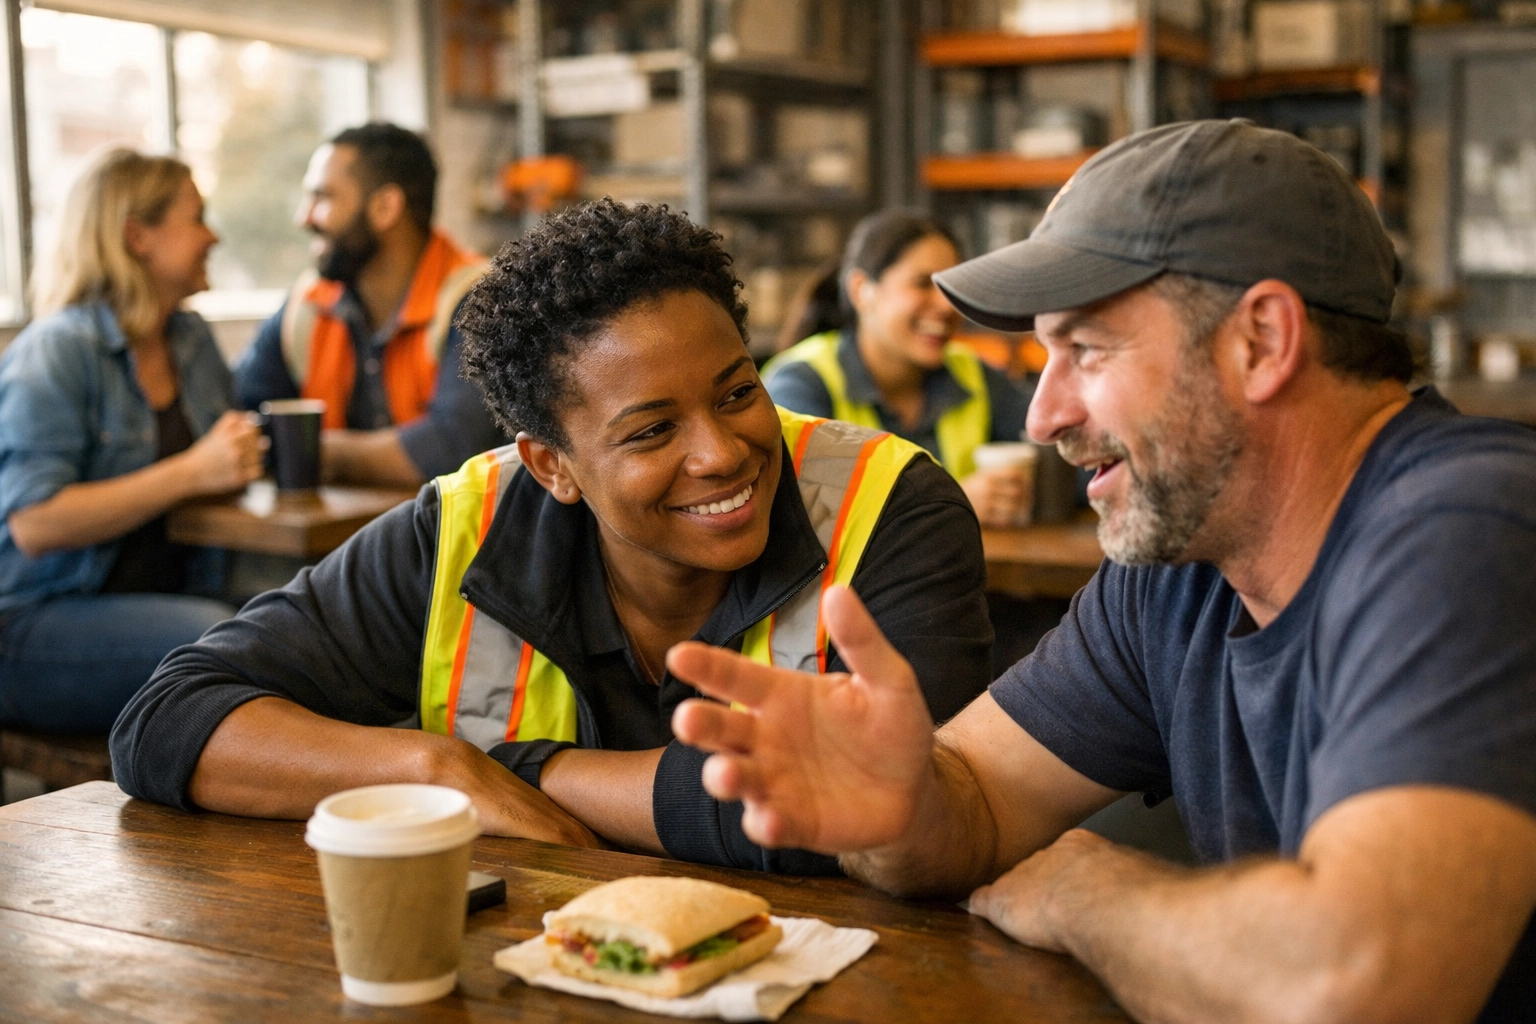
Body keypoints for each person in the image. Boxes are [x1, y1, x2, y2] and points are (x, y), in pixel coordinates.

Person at [670, 121, 1536, 1023]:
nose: (1043, 414)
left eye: (1086, 349)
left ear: (1263, 340)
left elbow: (1355, 986)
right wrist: (897, 807)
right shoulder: (1184, 569)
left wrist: (1082, 891)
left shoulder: (1473, 525)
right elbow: (975, 803)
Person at [110, 199, 993, 873]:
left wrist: (523, 775)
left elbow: (905, 817)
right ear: (550, 465)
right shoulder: (462, 527)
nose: (722, 454)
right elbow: (165, 722)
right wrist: (441, 771)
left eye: (736, 392)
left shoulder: (893, 510)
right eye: (651, 431)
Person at [0, 149, 265, 732]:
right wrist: (192, 472)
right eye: (196, 217)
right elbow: (35, 522)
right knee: (218, 642)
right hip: (38, 620)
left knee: (305, 624)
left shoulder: (189, 338)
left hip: (176, 589)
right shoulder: (58, 349)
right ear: (137, 236)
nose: (212, 236)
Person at [234, 122, 506, 488]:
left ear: (385, 207)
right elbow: (241, 417)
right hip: (344, 539)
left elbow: (453, 447)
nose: (304, 217)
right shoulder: (310, 302)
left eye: (323, 198)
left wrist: (312, 449)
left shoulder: (482, 298)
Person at [765, 211, 1032, 529]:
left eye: (951, 286)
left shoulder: (971, 372)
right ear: (862, 290)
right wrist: (953, 503)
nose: (947, 306)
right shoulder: (801, 385)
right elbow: (806, 516)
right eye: (923, 284)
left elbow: (1071, 460)